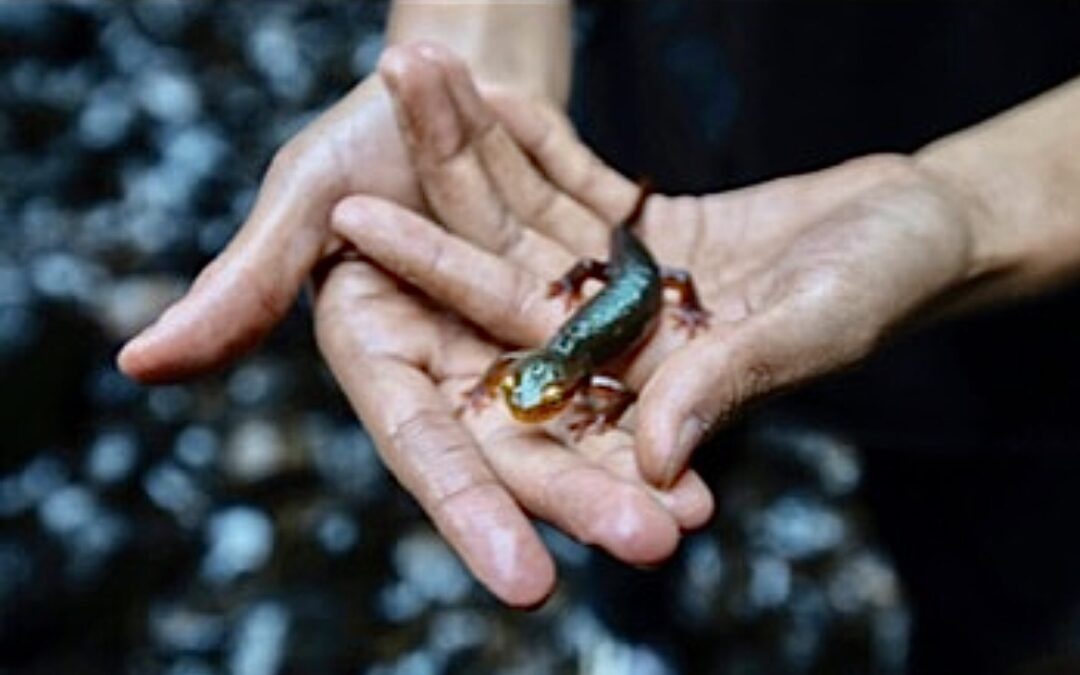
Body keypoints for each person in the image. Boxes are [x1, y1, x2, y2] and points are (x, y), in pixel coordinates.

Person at [116, 0, 1080, 625]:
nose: (534, 394)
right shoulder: (561, 364)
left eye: (537, 392)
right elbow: (545, 366)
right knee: (673, 466)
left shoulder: (591, 375)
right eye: (532, 389)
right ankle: (637, 618)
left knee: (986, 564)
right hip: (663, 100)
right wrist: (471, 73)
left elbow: (606, 361)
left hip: (1003, 336)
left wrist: (981, 207)